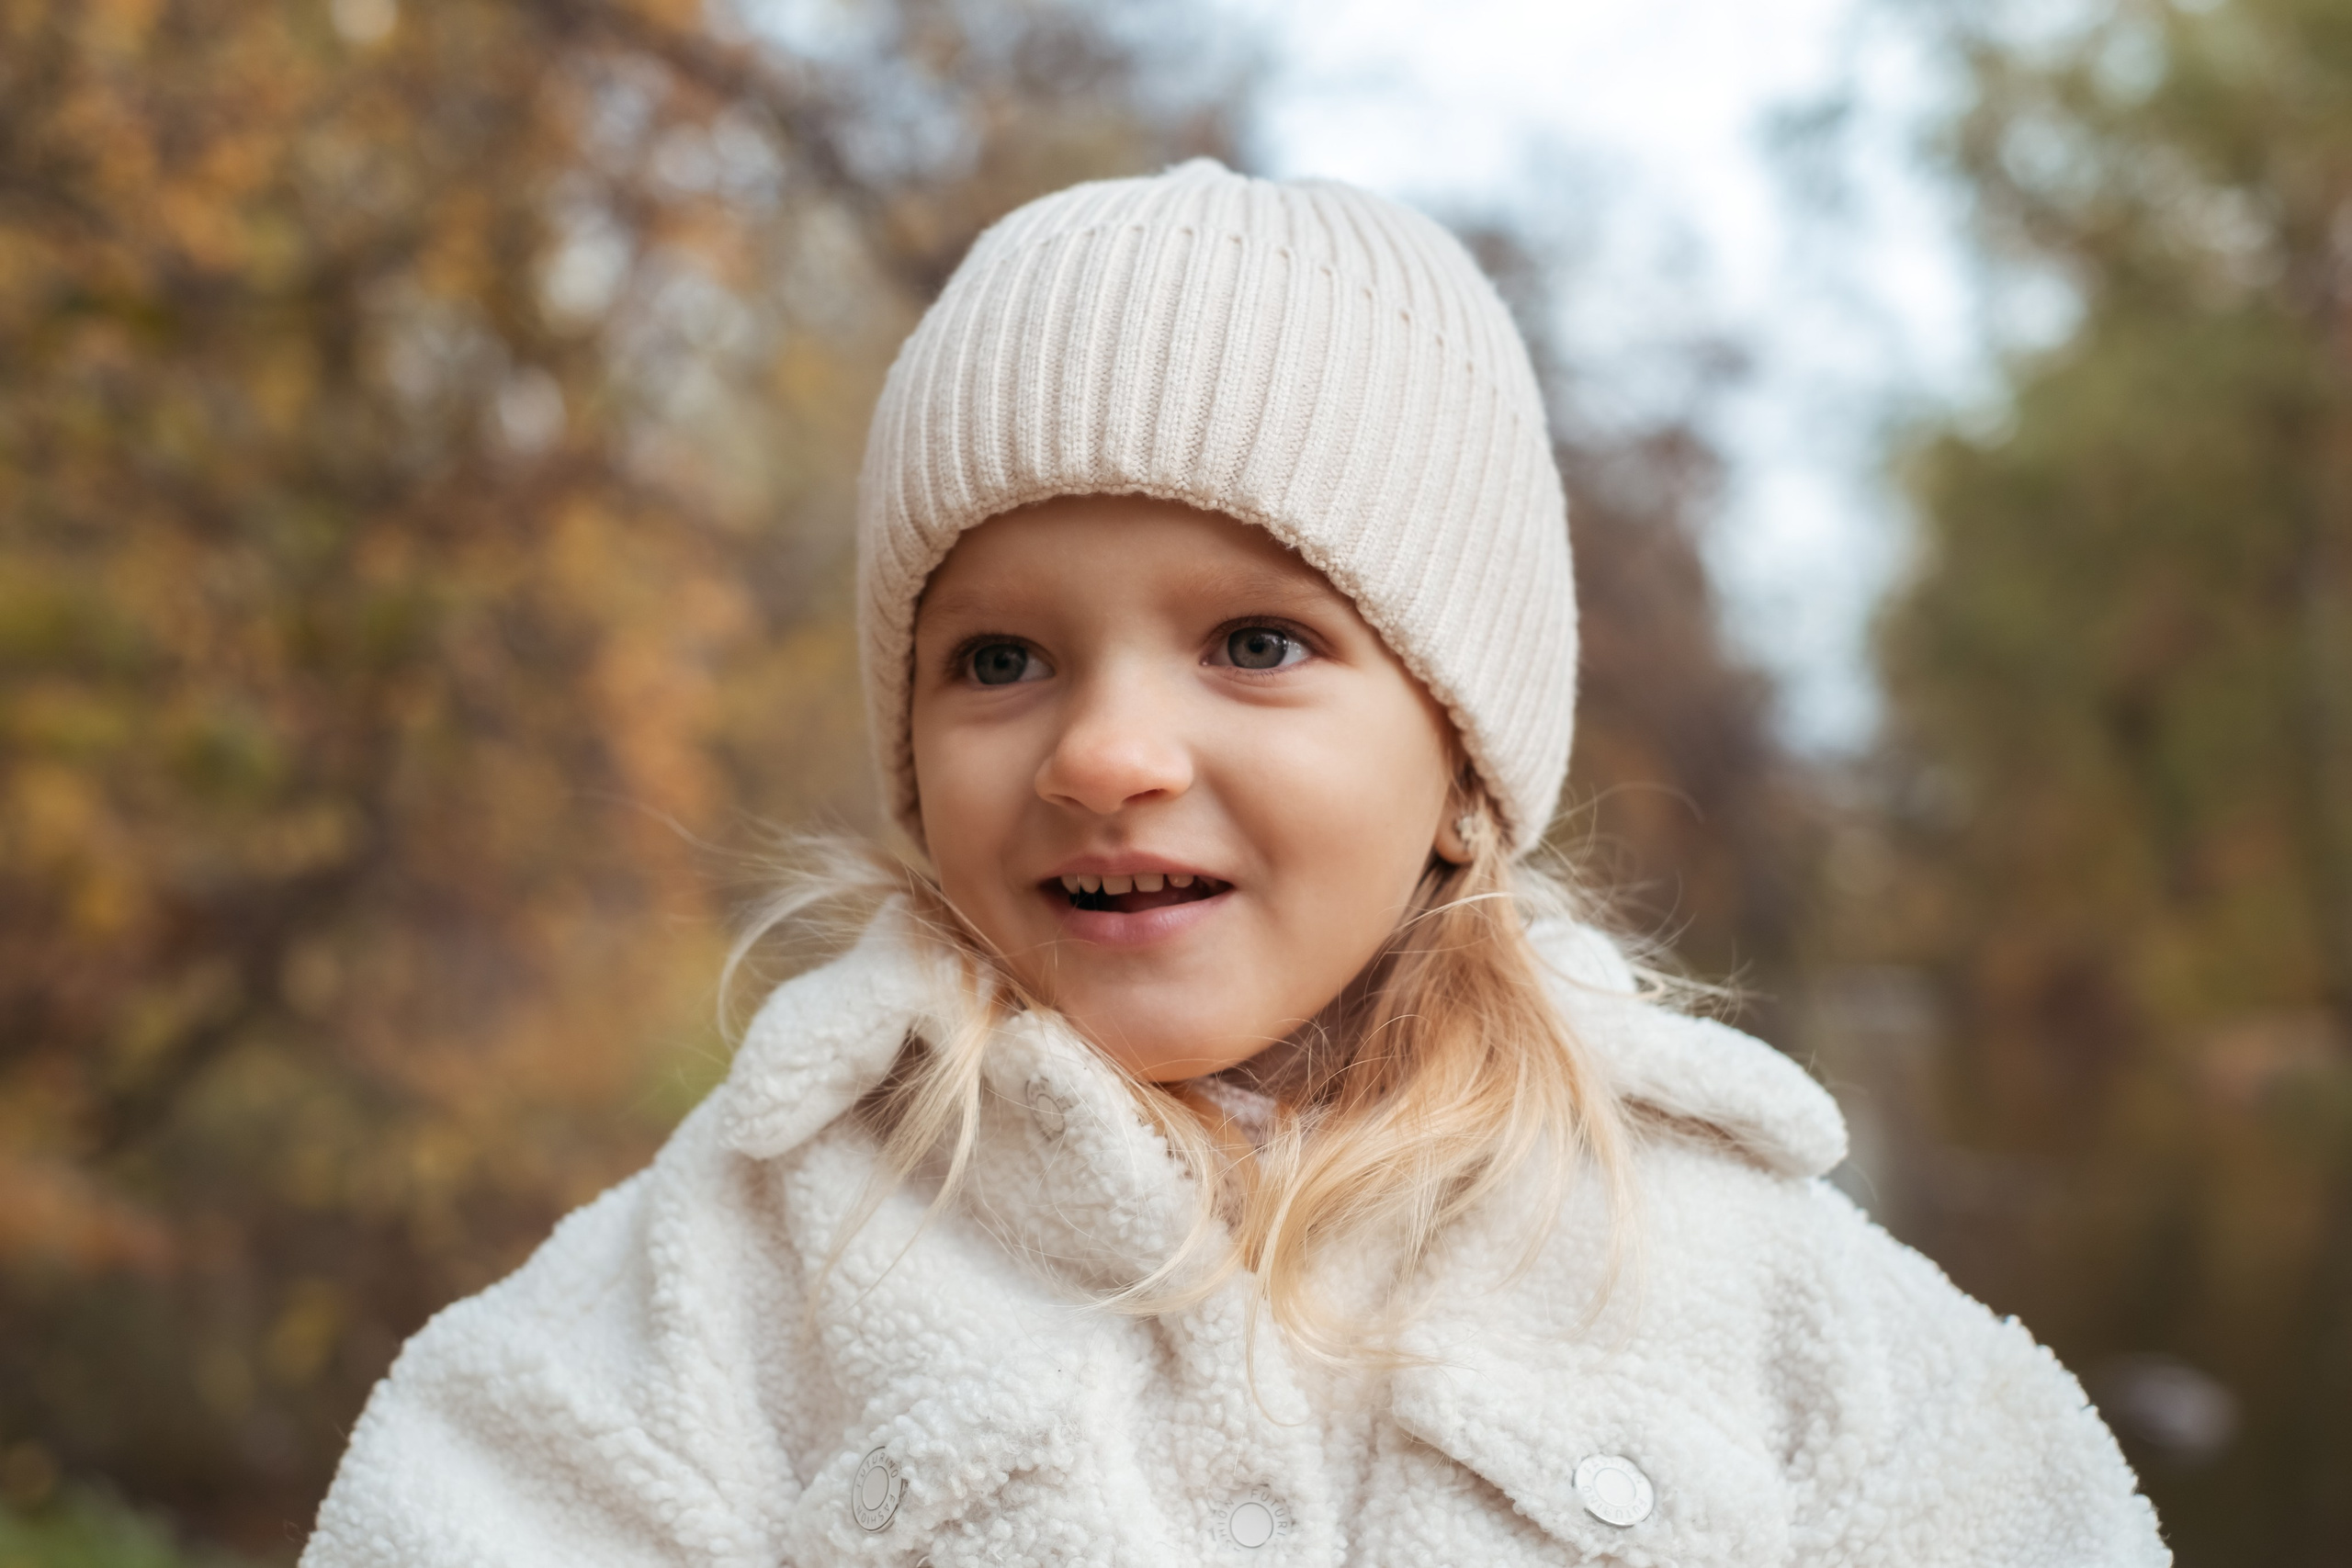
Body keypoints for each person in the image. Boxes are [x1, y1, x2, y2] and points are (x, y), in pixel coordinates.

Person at [301, 160, 2167, 1567]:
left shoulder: (1722, 1265)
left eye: (1256, 642)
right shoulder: (751, 1262)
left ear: (1461, 767)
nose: (1102, 753)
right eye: (999, 659)